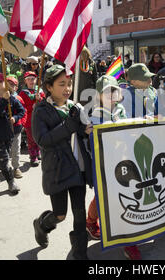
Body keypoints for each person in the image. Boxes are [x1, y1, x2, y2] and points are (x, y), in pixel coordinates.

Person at [31, 64, 93, 260]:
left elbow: (83, 132)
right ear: (49, 87)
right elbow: (43, 140)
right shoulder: (41, 110)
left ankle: (80, 253)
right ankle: (41, 225)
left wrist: (85, 130)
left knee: (79, 214)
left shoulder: (76, 107)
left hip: (78, 168)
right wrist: (68, 126)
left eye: (69, 83)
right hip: (57, 170)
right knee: (60, 215)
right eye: (61, 84)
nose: (67, 88)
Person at [86, 75, 141, 260]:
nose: (111, 94)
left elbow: (125, 129)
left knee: (124, 197)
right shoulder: (95, 113)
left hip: (123, 159)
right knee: (103, 197)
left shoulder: (120, 109)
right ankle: (91, 221)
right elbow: (98, 138)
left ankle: (129, 242)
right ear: (99, 95)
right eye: (107, 91)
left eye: (114, 90)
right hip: (104, 162)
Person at [0, 73, 24, 194]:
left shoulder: (12, 98)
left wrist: (15, 117)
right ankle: (11, 182)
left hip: (9, 133)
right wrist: (4, 99)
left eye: (0, 81)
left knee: (3, 156)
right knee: (4, 158)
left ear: (5, 84)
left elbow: (21, 111)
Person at [18, 71, 45, 166]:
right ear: (25, 81)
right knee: (31, 139)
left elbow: (45, 104)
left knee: (38, 137)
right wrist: (32, 107)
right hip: (29, 119)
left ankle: (38, 152)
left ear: (36, 80)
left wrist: (40, 100)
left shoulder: (40, 91)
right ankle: (33, 157)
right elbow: (21, 107)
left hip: (40, 118)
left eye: (33, 79)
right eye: (29, 79)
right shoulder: (23, 93)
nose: (31, 81)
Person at [7, 75, 26, 179]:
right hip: (4, 129)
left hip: (17, 129)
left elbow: (23, 112)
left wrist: (22, 122)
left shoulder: (18, 98)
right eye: (8, 85)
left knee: (16, 149)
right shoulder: (2, 98)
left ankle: (16, 167)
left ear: (16, 87)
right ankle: (3, 167)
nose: (10, 87)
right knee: (4, 150)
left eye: (12, 85)